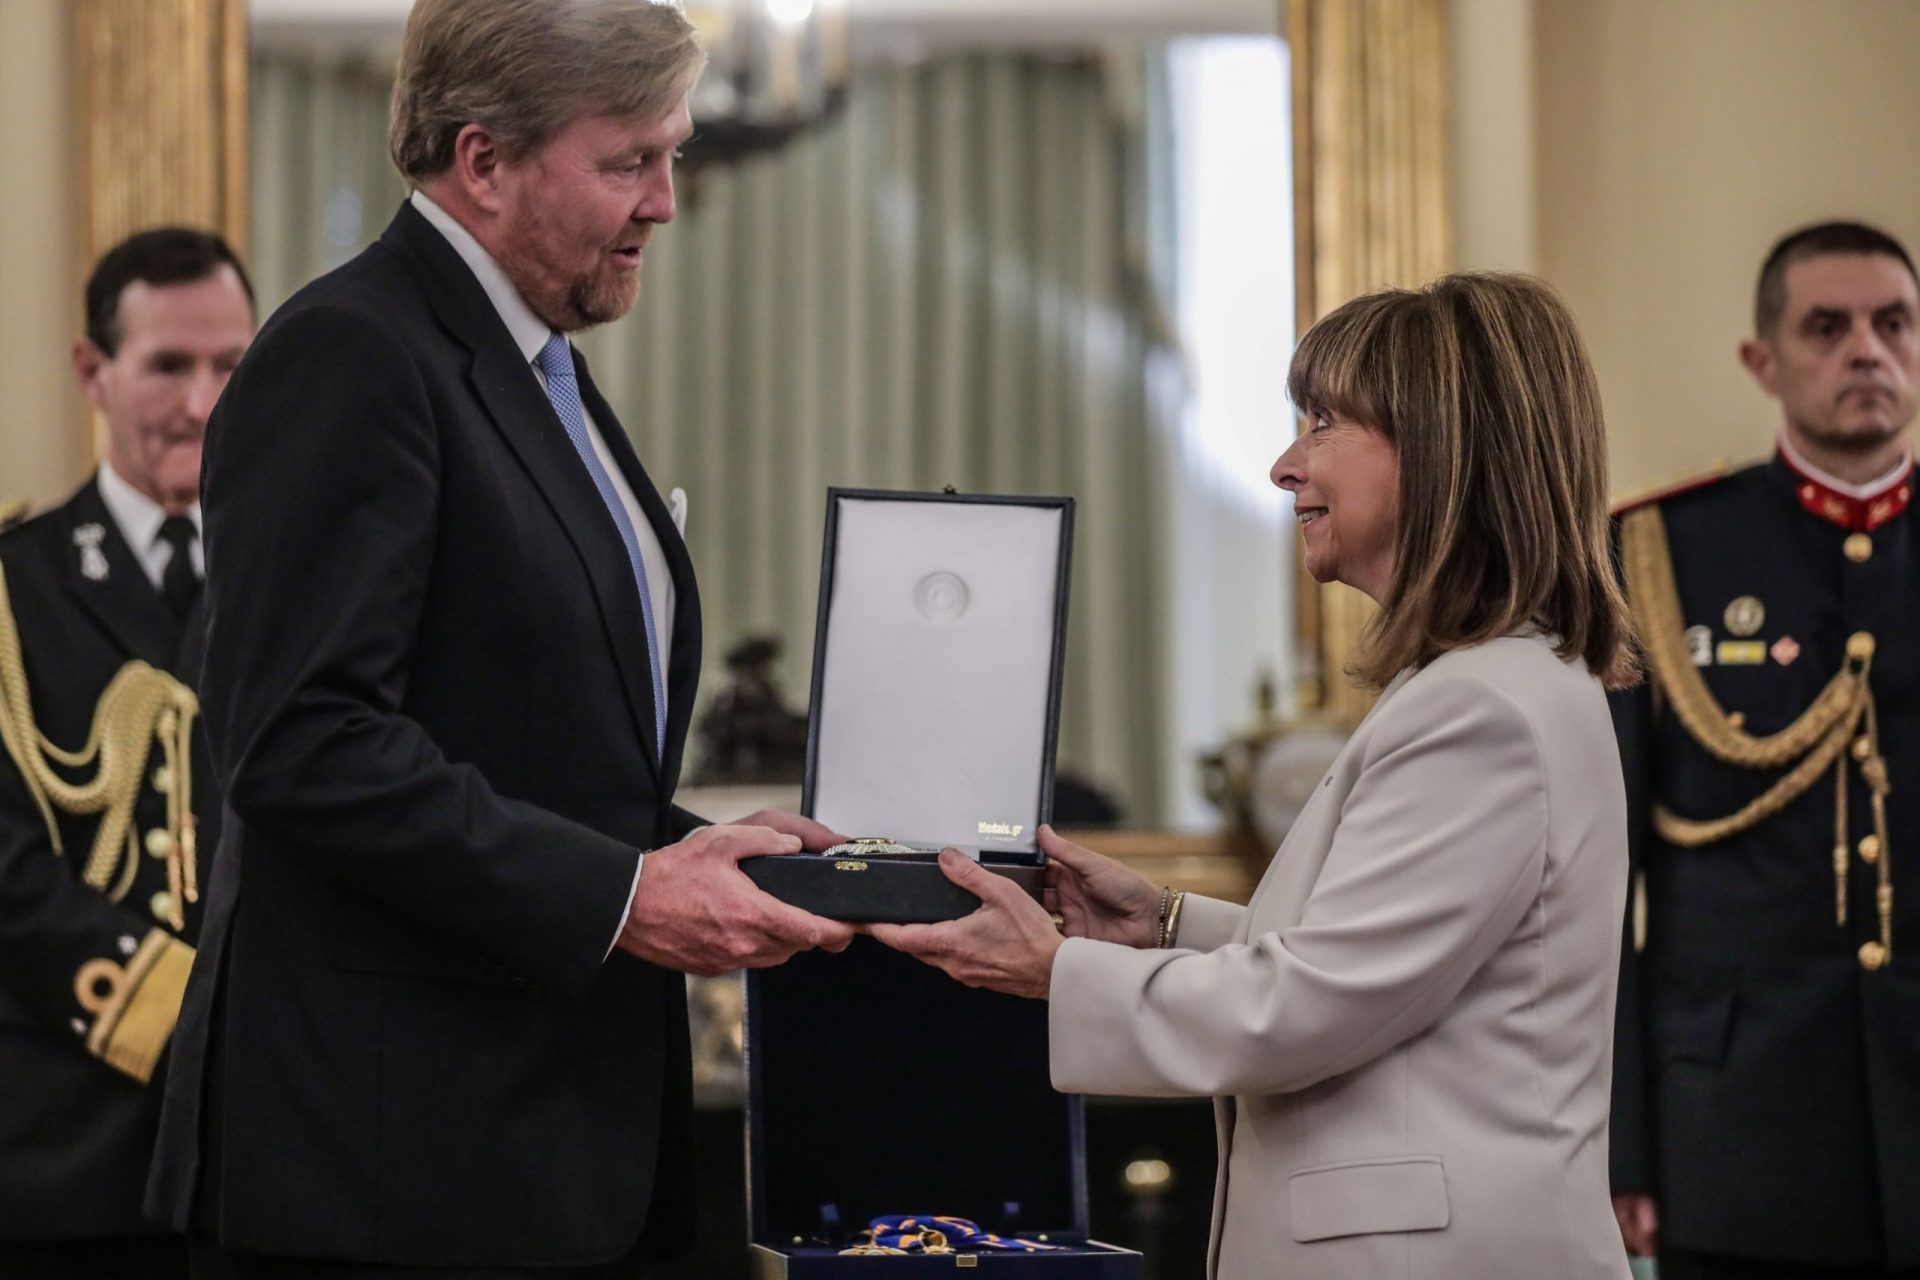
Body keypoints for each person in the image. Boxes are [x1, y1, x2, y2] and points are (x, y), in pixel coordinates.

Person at [145, 2, 854, 1275]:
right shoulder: (352, 353)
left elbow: (523, 745)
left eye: (673, 156)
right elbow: (304, 745)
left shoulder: (532, 367)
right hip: (389, 1178)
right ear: (483, 161)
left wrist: (699, 853)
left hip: (537, 1154)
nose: (665, 204)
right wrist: (628, 895)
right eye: (630, 162)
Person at [872, 272, 1640, 1279]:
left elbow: (1311, 1004)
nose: (1286, 466)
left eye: (1323, 423)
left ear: (1442, 448)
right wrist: (1166, 923)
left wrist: (1056, 971)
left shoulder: (1480, 706)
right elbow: (1380, 963)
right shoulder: (1483, 683)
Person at [1608, 222, 1920, 1280]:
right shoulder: (1659, 553)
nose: (1866, 350)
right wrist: (1624, 1145)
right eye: (1827, 328)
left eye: (1893, 323)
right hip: (1737, 1131)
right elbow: (1602, 880)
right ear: (1763, 360)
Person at [0, 228, 254, 1279]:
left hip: (268, 1156)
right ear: (91, 370)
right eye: (167, 366)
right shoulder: (15, 590)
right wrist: (195, 1014)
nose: (202, 404)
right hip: (71, 1154)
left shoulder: (308, 579)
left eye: (231, 365)